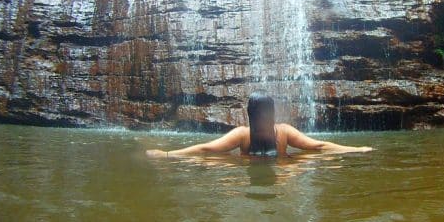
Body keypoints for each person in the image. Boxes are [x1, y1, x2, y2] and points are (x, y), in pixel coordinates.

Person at [146, 91, 373, 158]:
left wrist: (356, 149)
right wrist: (167, 154)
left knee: (307, 159)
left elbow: (319, 146)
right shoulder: (245, 135)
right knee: (215, 162)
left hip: (267, 173)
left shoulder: (281, 132)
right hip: (264, 174)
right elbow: (207, 148)